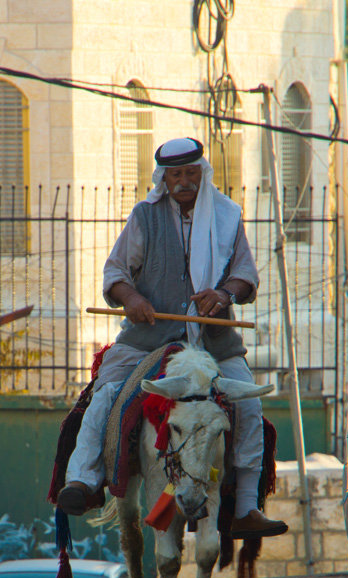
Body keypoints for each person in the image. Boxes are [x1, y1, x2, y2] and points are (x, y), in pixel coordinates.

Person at [56, 136, 287, 537]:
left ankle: (246, 509)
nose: (184, 181)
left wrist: (223, 294)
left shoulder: (228, 215)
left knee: (248, 404)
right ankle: (82, 480)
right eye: (176, 174)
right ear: (164, 178)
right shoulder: (144, 216)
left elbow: (246, 277)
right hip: (146, 339)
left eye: (191, 173)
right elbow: (115, 275)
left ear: (202, 172)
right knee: (105, 392)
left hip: (215, 343)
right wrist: (132, 298)